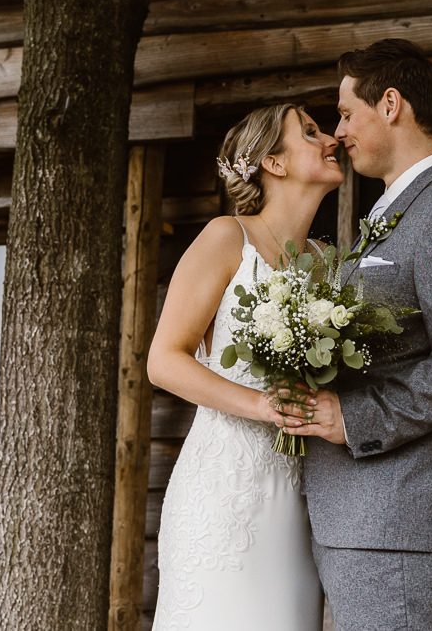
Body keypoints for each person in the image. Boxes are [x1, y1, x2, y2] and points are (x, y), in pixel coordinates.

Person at [276, 38, 432, 631]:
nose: (338, 131)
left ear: (390, 104)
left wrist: (357, 419)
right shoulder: (395, 212)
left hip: (400, 518)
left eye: (346, 113)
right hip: (368, 518)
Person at [148, 103, 343, 630]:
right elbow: (163, 361)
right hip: (223, 492)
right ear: (273, 164)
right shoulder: (225, 237)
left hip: (303, 500)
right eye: (310, 131)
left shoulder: (330, 263)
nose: (332, 138)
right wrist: (262, 404)